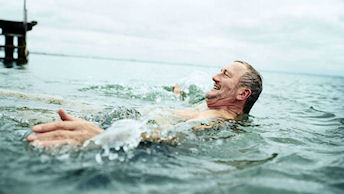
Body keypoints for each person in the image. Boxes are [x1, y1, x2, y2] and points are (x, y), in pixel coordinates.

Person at [27, 61, 262, 147]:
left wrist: (99, 137)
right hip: (125, 118)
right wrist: (179, 94)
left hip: (120, 128)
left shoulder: (216, 120)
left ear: (243, 93)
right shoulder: (209, 106)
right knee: (34, 116)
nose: (215, 77)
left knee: (32, 123)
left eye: (225, 74)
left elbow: (172, 139)